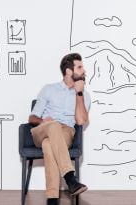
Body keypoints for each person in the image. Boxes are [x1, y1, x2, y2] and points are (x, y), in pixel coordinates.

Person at [29, 53, 91, 205]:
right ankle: (70, 179)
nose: (84, 70)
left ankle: (52, 199)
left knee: (49, 145)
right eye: (80, 67)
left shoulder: (84, 95)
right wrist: (44, 121)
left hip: (65, 132)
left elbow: (81, 121)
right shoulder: (49, 89)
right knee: (53, 126)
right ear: (69, 71)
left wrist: (79, 93)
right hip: (42, 129)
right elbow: (32, 118)